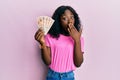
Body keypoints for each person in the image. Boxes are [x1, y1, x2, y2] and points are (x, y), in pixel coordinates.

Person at [34, 5, 84, 80]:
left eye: (72, 17)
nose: (70, 21)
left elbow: (78, 63)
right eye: (64, 18)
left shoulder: (79, 38)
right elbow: (47, 62)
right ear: (58, 21)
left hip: (69, 76)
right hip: (52, 76)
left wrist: (77, 41)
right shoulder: (49, 37)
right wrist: (43, 44)